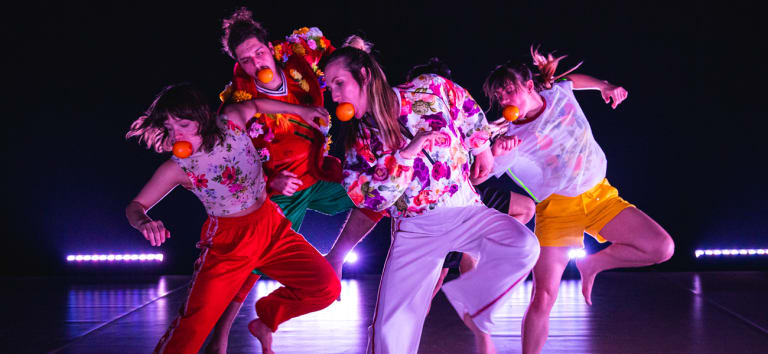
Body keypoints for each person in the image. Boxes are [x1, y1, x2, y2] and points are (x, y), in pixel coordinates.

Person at [323, 46, 540, 354]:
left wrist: (481, 148)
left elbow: (465, 107)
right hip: (415, 231)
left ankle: (473, 303)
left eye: (338, 83)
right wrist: (405, 155)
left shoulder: (429, 87)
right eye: (329, 86)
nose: (333, 95)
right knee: (391, 330)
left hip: (465, 208)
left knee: (524, 245)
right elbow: (369, 199)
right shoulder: (359, 141)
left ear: (364, 75)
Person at [481, 46, 675, 354]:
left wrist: (604, 85)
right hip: (557, 210)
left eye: (509, 91)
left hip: (600, 196)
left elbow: (573, 81)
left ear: (529, 86)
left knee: (662, 248)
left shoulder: (558, 95)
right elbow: (479, 177)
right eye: (499, 97)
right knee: (544, 296)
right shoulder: (509, 135)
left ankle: (593, 265)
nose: (505, 100)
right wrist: (494, 152)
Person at [211, 9, 383, 352]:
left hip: (319, 173)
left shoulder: (297, 54)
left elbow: (339, 57)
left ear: (269, 47)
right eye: (245, 60)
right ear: (237, 63)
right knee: (250, 266)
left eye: (259, 52)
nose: (255, 62)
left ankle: (335, 257)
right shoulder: (237, 102)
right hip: (280, 189)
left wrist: (356, 47)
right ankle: (221, 337)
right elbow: (230, 165)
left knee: (380, 191)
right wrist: (270, 183)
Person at [125, 83, 340, 354]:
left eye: (183, 125)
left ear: (201, 118)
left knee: (326, 287)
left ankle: (267, 316)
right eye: (170, 128)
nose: (177, 135)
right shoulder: (177, 166)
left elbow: (258, 105)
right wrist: (144, 221)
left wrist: (301, 111)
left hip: (271, 227)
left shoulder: (232, 121)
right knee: (193, 327)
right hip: (229, 243)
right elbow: (135, 205)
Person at [404, 57, 536, 301]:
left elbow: (475, 178)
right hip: (430, 206)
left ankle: (473, 254)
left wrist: (492, 154)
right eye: (422, 86)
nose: (430, 90)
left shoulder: (461, 114)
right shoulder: (407, 120)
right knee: (435, 279)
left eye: (437, 85)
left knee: (525, 207)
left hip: (466, 193)